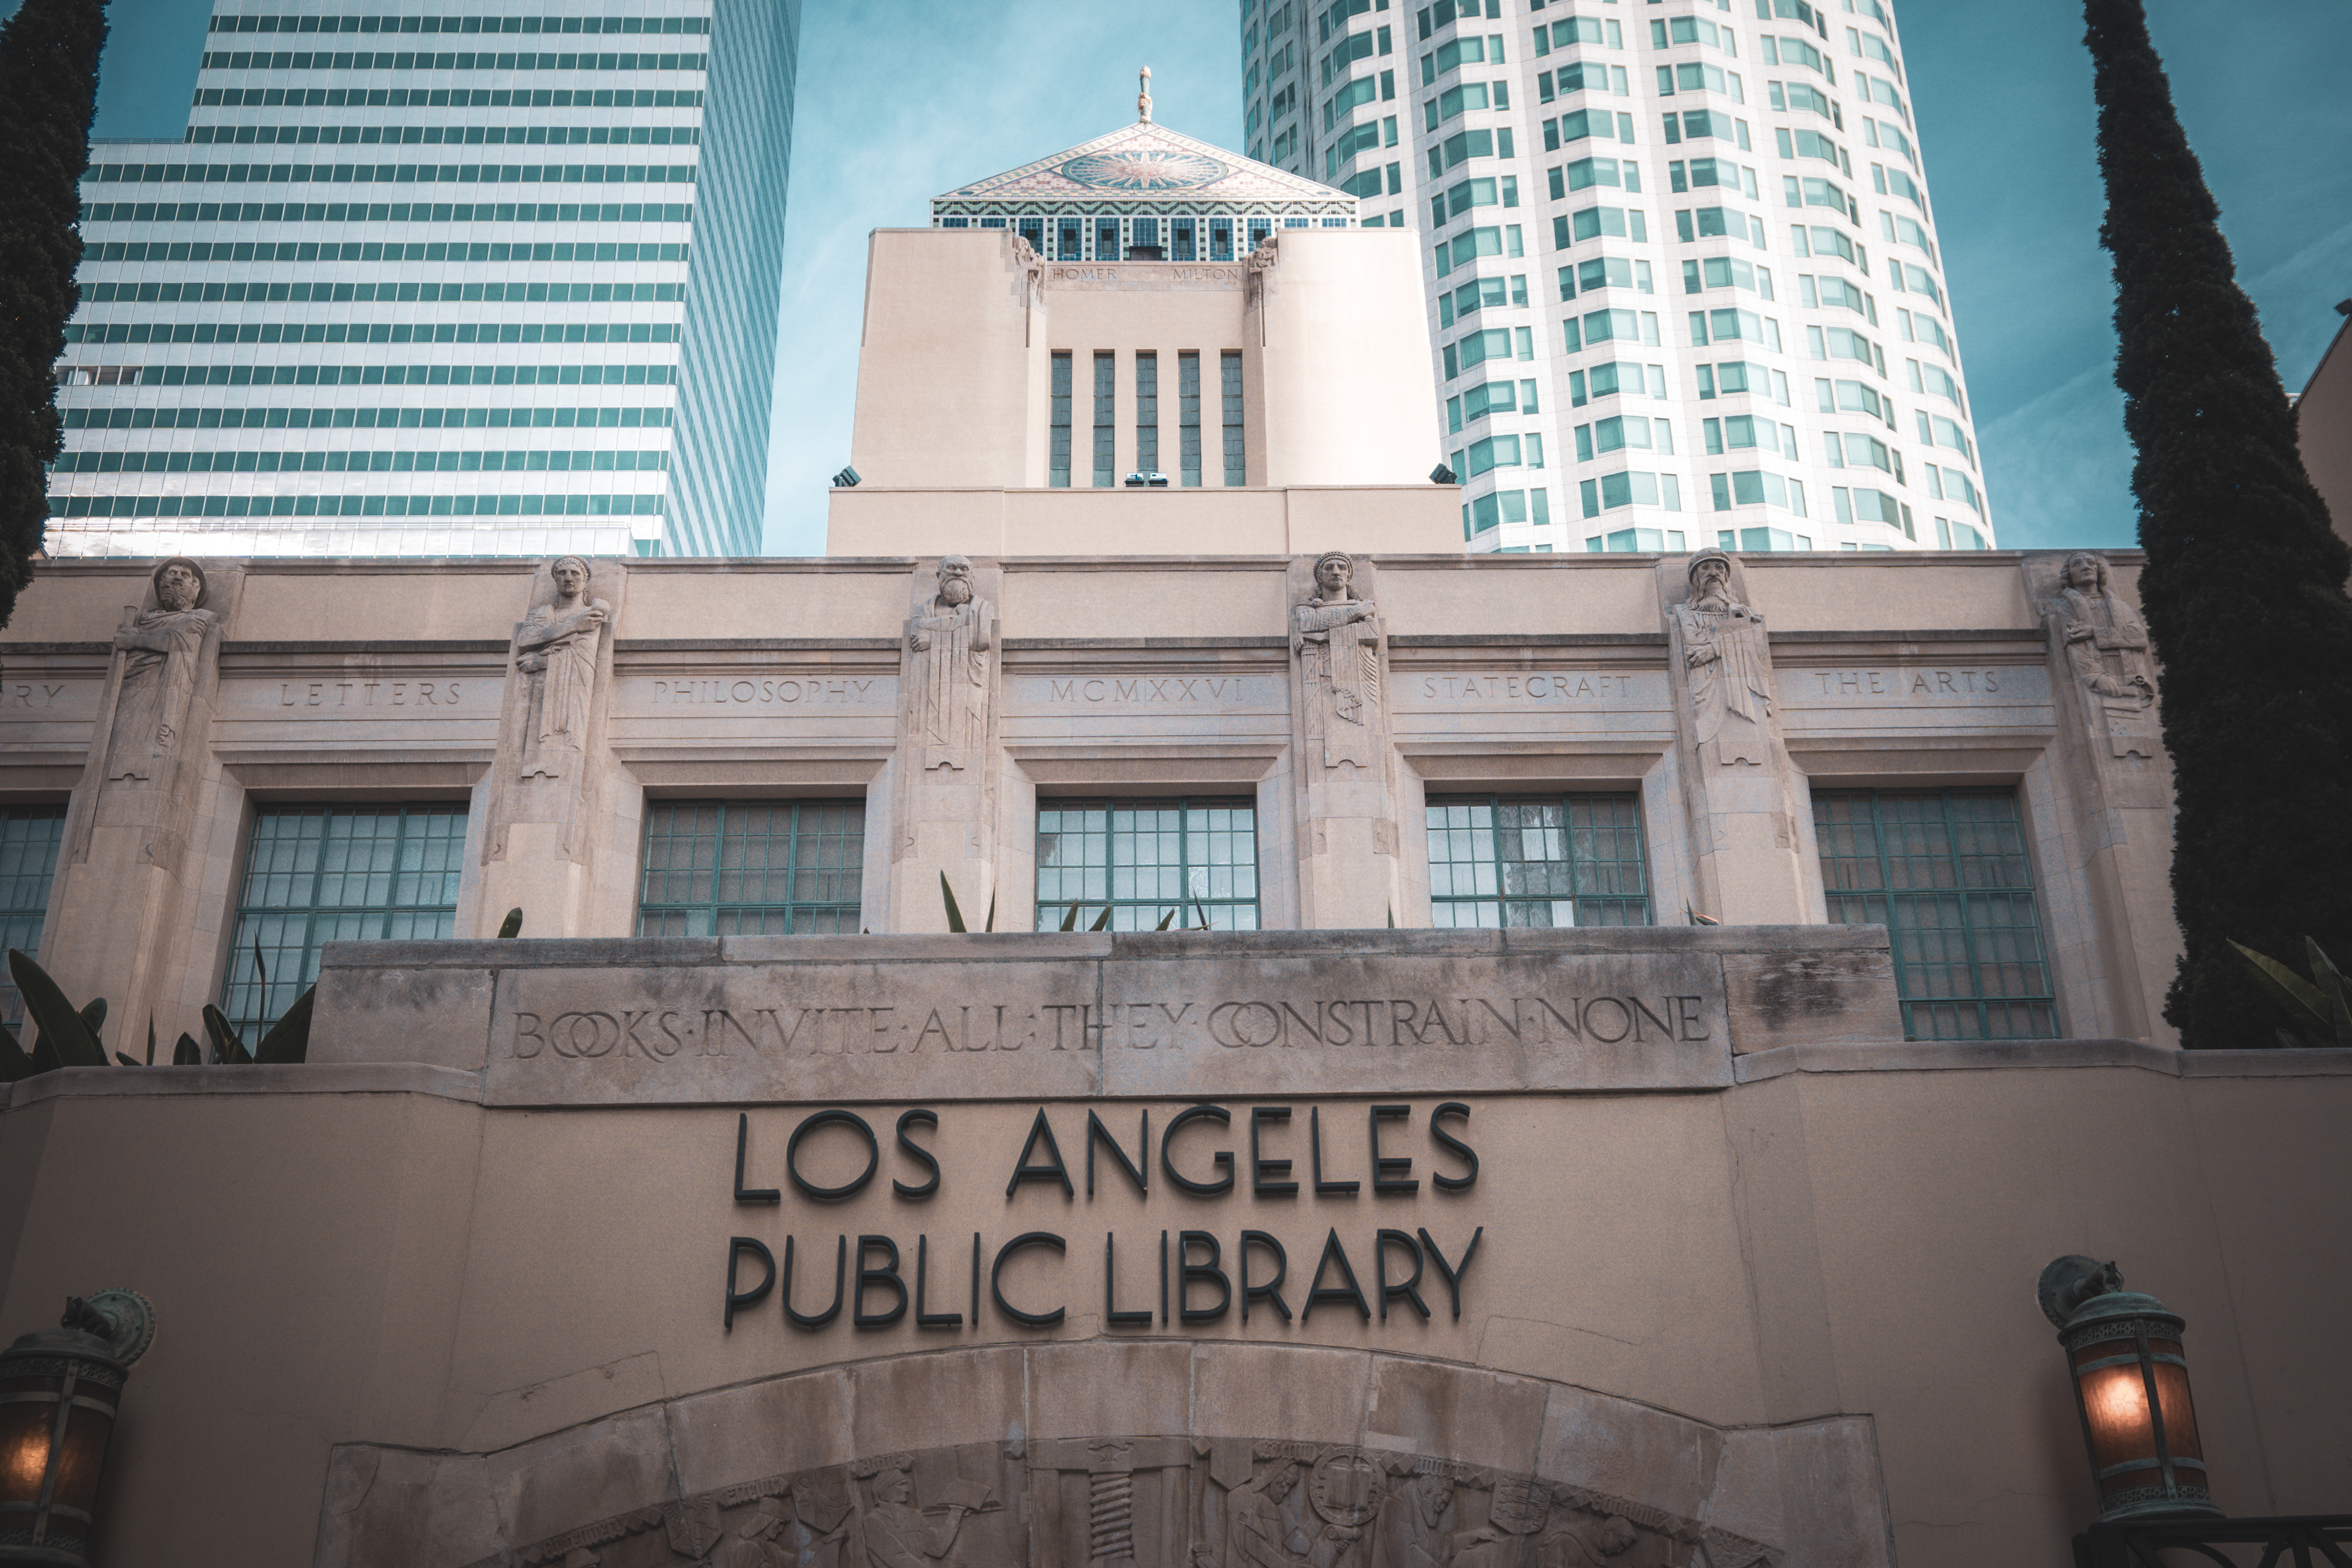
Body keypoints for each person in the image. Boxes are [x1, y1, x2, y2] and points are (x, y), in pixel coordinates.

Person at [105, 557, 218, 783]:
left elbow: (182, 643)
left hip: (167, 691)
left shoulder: (200, 618)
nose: (175, 578)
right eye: (170, 574)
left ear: (195, 588)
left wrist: (136, 641)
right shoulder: (142, 619)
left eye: (184, 575)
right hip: (134, 690)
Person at [1672, 549, 1774, 767]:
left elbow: (1752, 640)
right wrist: (1732, 630)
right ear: (1695, 578)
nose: (1714, 573)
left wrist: (1714, 648)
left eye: (1720, 568)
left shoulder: (1744, 612)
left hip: (1739, 681)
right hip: (1708, 686)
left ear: (1727, 577)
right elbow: (1694, 643)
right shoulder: (1685, 612)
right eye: (1705, 568)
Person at [514, 555, 609, 778]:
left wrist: (543, 662)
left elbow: (584, 660)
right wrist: (571, 626)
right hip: (541, 693)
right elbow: (525, 640)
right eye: (562, 573)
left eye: (575, 574)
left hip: (570, 697)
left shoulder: (591, 616)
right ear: (555, 579)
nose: (568, 578)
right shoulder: (543, 614)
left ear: (585, 582)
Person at [1293, 552, 1384, 771]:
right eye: (1329, 568)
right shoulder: (1307, 608)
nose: (1336, 571)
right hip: (1322, 678)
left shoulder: (1365, 606)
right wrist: (1356, 613)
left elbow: (1372, 631)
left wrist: (1321, 636)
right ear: (1320, 576)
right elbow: (1309, 622)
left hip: (1360, 674)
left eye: (1342, 567)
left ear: (1349, 576)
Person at [905, 555, 997, 772]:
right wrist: (961, 623)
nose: (958, 573)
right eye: (952, 568)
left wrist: (933, 635)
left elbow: (981, 638)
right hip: (931, 690)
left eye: (964, 569)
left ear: (971, 577)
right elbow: (916, 629)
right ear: (940, 574)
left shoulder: (982, 608)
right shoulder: (924, 609)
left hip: (967, 686)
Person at [2051, 551, 2154, 703]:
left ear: (2099, 571)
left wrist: (2094, 632)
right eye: (2077, 564)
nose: (2086, 567)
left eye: (2091, 563)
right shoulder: (2062, 607)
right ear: (2069, 575)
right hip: (2098, 685)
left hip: (2135, 682)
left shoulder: (2121, 606)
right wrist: (2097, 678)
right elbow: (2074, 646)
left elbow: (2139, 637)